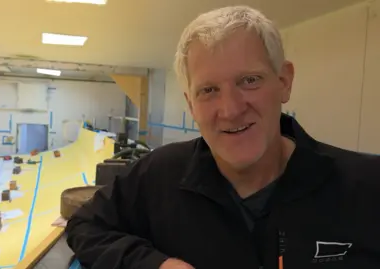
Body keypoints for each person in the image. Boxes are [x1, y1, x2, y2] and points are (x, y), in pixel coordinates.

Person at [65, 5, 380, 269]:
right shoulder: (158, 175)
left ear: (284, 82)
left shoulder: (366, 186)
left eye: (249, 80)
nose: (230, 109)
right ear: (191, 104)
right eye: (209, 90)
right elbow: (85, 226)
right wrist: (154, 265)